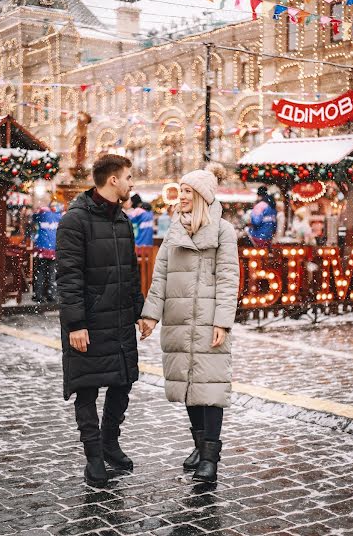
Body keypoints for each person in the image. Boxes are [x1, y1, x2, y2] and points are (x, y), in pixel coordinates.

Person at [141, 166, 239, 483]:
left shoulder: (223, 231)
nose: (181, 196)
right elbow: (160, 279)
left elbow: (228, 280)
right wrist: (150, 315)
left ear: (201, 196)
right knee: (187, 385)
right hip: (179, 319)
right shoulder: (174, 231)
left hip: (209, 321)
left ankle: (210, 458)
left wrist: (223, 322)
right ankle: (199, 445)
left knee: (210, 387)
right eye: (180, 190)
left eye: (187, 191)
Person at [56, 155, 149, 488]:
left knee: (123, 381)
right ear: (112, 180)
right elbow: (68, 276)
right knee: (87, 387)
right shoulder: (74, 221)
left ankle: (110, 443)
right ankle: (94, 456)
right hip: (90, 322)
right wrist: (76, 324)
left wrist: (141, 313)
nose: (131, 183)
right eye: (128, 177)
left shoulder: (122, 220)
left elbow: (130, 272)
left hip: (120, 320)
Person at [32, 201, 63, 303]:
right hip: (53, 249)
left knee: (40, 272)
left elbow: (33, 218)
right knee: (52, 273)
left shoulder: (42, 215)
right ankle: (51, 295)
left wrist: (41, 211)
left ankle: (39, 295)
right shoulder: (59, 217)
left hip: (42, 248)